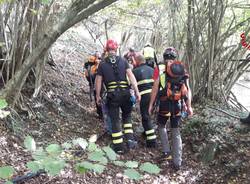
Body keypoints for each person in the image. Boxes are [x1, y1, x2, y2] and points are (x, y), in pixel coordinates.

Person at [148, 47, 193, 170]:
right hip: (177, 105)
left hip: (163, 104)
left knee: (161, 126)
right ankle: (177, 161)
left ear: (164, 57)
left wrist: (151, 105)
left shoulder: (160, 69)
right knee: (176, 130)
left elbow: (155, 88)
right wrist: (189, 106)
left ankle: (166, 152)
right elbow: (188, 90)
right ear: (175, 58)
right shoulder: (182, 71)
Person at [95, 39, 141, 154]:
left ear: (106, 50)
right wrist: (137, 91)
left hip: (112, 95)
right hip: (125, 94)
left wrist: (97, 96)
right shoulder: (123, 61)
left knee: (115, 120)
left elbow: (98, 82)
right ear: (116, 49)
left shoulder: (102, 64)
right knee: (127, 117)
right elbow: (131, 77)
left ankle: (119, 146)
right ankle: (130, 140)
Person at [132, 53, 157, 148]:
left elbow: (131, 85)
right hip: (154, 96)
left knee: (145, 118)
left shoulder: (135, 71)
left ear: (137, 61)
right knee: (151, 117)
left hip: (144, 96)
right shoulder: (152, 70)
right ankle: (147, 135)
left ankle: (152, 142)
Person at [84, 52, 102, 118]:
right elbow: (88, 71)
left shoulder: (100, 61)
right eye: (97, 55)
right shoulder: (91, 61)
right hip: (92, 77)